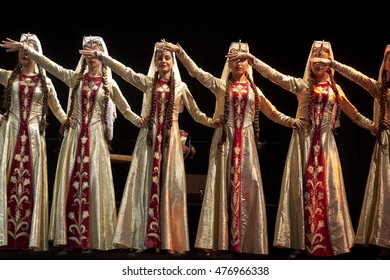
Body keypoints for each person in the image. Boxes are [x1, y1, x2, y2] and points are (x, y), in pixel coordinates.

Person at [227, 40, 380, 258]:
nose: (319, 61)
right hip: (303, 144)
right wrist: (253, 61)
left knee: (328, 192)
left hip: (326, 146)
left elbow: (354, 114)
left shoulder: (336, 90)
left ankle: (331, 241)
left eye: (324, 56)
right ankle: (300, 241)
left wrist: (374, 127)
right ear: (309, 60)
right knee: (301, 191)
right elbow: (275, 76)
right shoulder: (301, 85)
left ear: (329, 61)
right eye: (315, 57)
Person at [156, 40, 305, 255]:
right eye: (233, 60)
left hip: (246, 145)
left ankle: (247, 242)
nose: (238, 64)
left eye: (242, 60)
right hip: (224, 143)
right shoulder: (220, 85)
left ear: (248, 64)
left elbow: (272, 112)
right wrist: (180, 52)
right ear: (228, 62)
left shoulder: (254, 91)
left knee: (248, 188)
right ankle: (218, 242)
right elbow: (196, 73)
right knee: (220, 188)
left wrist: (291, 121)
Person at [1, 35, 144, 253]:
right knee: (70, 185)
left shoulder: (109, 84)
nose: (91, 54)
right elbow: (50, 65)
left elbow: (125, 110)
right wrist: (26, 49)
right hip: (74, 139)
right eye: (87, 49)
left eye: (95, 50)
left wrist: (141, 122)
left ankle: (90, 239)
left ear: (102, 54)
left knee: (92, 184)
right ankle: (67, 239)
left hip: (95, 139)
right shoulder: (74, 78)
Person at [79, 41, 216, 255]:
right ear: (155, 61)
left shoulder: (181, 88)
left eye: (167, 58)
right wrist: (102, 56)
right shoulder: (147, 83)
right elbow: (124, 72)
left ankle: (170, 240)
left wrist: (211, 122)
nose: (163, 61)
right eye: (159, 58)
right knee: (143, 187)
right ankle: (142, 238)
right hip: (149, 141)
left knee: (170, 188)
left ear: (172, 62)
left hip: (170, 144)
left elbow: (196, 113)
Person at [310, 46, 390, 259]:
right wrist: (333, 64)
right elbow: (356, 77)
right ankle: (386, 240)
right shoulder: (380, 88)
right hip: (387, 143)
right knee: (386, 191)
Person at [0, 33, 68, 252]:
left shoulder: (45, 82)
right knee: (7, 180)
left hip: (32, 137)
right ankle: (4, 236)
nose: (24, 53)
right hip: (11, 134)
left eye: (28, 50)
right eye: (21, 50)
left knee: (32, 182)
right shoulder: (10, 77)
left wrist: (69, 121)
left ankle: (30, 237)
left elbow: (57, 109)